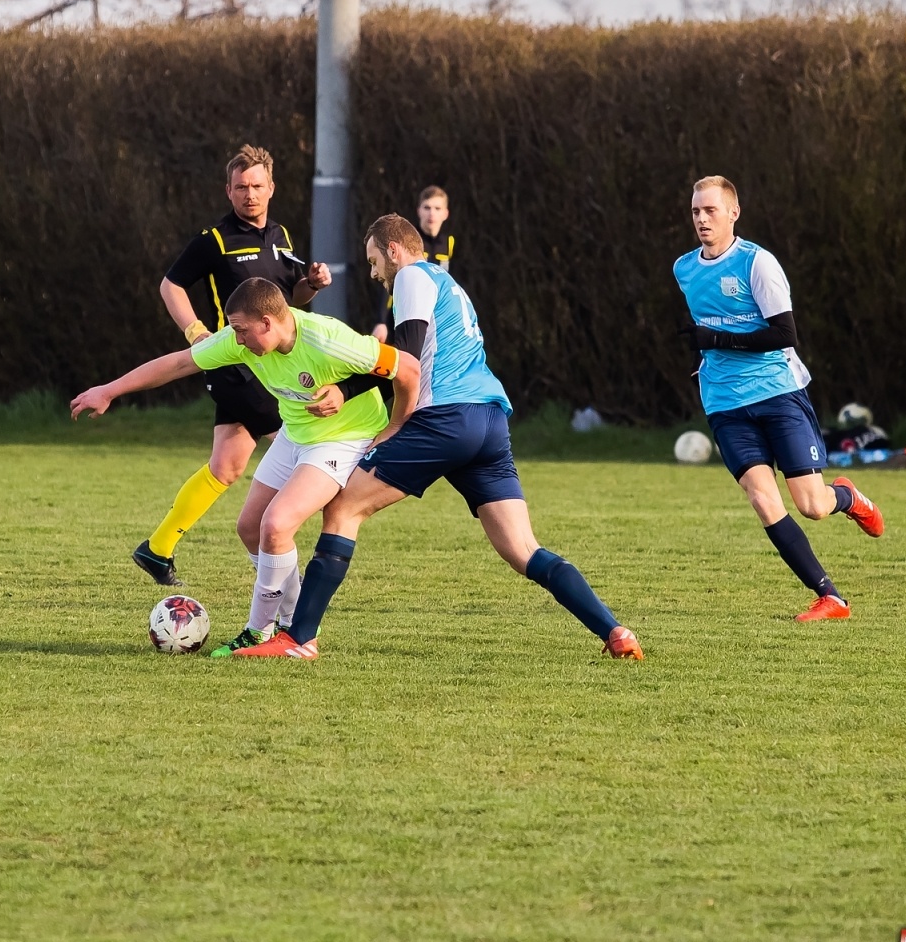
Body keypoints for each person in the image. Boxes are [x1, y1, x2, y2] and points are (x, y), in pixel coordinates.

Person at [254, 214, 644, 661]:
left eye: (374, 260)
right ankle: (615, 631)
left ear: (394, 250)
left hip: (445, 419)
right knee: (523, 549)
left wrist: (360, 399)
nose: (374, 272)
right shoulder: (448, 282)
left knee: (343, 506)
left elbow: (406, 363)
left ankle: (298, 638)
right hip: (490, 421)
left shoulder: (412, 278)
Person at [71, 278, 418, 659]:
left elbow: (408, 370)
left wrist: (395, 427)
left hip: (343, 439)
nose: (236, 340)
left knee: (277, 525)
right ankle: (296, 628)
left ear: (268, 323)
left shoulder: (327, 339)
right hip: (296, 434)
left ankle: (258, 632)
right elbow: (180, 362)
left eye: (241, 331)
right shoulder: (244, 340)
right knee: (250, 527)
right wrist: (109, 390)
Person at [673, 176, 883, 621]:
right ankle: (831, 597)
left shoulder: (758, 264)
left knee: (812, 506)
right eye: (696, 212)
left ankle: (846, 497)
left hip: (777, 392)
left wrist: (715, 337)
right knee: (763, 500)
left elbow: (784, 333)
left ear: (734, 212)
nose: (702, 219)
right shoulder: (684, 269)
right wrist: (706, 349)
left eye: (711, 211)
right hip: (724, 403)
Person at [133, 146, 332, 588]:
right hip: (237, 365)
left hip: (265, 365)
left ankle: (157, 548)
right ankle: (282, 550)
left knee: (225, 466)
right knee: (300, 442)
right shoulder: (215, 239)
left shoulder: (281, 236)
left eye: (257, 186)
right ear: (228, 190)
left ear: (271, 188)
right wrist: (195, 332)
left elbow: (287, 303)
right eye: (241, 187)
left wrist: (311, 286)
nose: (250, 194)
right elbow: (171, 285)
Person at [373, 185, 455, 343]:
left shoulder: (449, 243)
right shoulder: (405, 242)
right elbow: (390, 282)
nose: (432, 213)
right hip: (404, 315)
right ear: (419, 211)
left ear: (445, 214)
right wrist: (381, 321)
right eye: (427, 207)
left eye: (437, 208)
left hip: (436, 319)